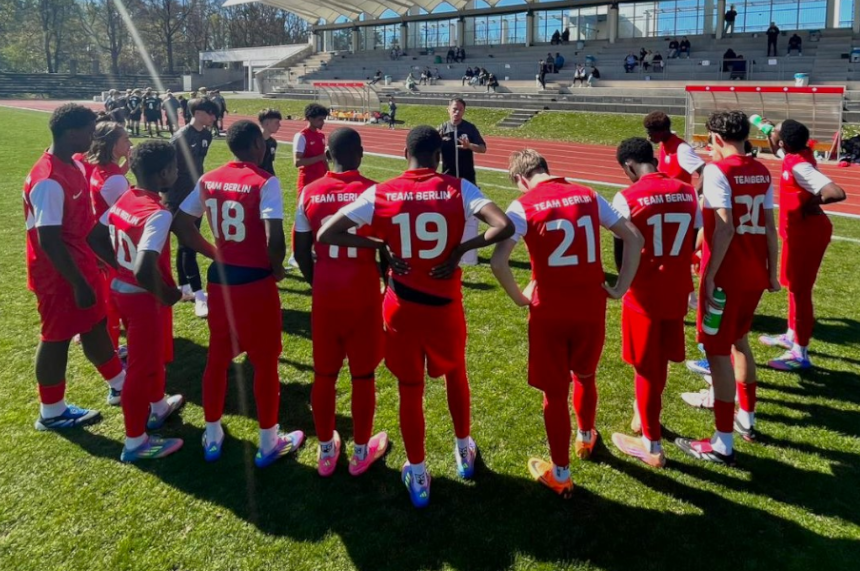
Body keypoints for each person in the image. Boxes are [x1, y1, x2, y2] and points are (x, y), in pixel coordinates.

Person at [318, 125, 514, 508]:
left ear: (404, 151)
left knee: (410, 391)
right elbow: (503, 225)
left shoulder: (381, 191)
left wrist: (376, 242)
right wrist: (460, 250)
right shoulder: (459, 188)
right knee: (456, 374)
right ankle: (463, 450)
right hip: (444, 306)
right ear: (438, 156)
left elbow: (327, 232)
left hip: (402, 305)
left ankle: (419, 474)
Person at [490, 149, 642, 497]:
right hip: (590, 305)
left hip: (550, 311)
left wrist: (519, 298)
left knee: (554, 393)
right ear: (546, 168)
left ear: (520, 178)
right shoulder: (588, 194)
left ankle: (560, 473)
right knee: (586, 375)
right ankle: (586, 437)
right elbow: (633, 236)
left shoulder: (523, 204)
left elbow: (499, 263)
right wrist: (621, 286)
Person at [173, 120, 305, 467]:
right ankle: (268, 441)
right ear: (258, 146)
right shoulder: (265, 181)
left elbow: (182, 224)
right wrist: (276, 268)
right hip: (254, 281)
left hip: (220, 279)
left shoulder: (209, 178)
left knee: (217, 357)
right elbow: (274, 236)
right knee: (265, 361)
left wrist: (213, 251)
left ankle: (213, 435)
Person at [675, 111, 780, 464]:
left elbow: (725, 228)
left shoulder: (719, 171)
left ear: (716, 139)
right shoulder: (761, 170)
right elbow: (768, 228)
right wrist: (774, 273)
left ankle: (722, 443)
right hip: (754, 274)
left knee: (718, 353)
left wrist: (711, 276)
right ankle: (746, 419)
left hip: (727, 276)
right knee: (741, 342)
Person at [23, 103, 126, 431]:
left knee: (95, 325)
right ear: (70, 134)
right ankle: (51, 412)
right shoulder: (49, 180)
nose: (94, 136)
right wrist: (78, 282)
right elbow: (49, 240)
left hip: (81, 265)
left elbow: (77, 224)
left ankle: (123, 386)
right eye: (89, 130)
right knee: (56, 337)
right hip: (60, 275)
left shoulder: (74, 165)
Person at [293, 128, 389, 477]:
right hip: (363, 291)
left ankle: (325, 450)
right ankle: (361, 451)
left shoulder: (309, 190)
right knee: (363, 375)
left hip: (327, 291)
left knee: (324, 374)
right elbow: (386, 250)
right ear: (360, 154)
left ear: (329, 156)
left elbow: (300, 252)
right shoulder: (375, 191)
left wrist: (316, 282)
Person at [88, 139, 185, 461]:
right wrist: (170, 294)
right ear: (162, 175)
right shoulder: (157, 214)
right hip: (142, 299)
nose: (177, 172)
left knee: (151, 356)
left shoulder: (126, 197)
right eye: (173, 167)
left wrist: (119, 268)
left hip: (121, 291)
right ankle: (135, 442)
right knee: (141, 368)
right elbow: (145, 269)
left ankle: (158, 405)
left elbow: (95, 237)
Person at [609, 138, 701, 468]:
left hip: (644, 292)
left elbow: (621, 248)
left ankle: (652, 443)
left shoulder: (627, 196)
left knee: (645, 366)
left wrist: (623, 282)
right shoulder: (688, 191)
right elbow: (693, 236)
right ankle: (645, 416)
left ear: (629, 166)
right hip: (676, 287)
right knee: (659, 360)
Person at [760, 120, 846, 370]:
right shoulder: (794, 154)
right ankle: (791, 334)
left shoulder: (800, 165)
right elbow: (777, 148)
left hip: (808, 233)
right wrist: (769, 133)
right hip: (796, 232)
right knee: (793, 287)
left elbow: (836, 192)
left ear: (785, 142)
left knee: (801, 291)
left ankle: (801, 353)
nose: (773, 136)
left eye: (776, 133)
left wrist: (810, 204)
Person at [165, 97, 218, 318]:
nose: (214, 117)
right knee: (189, 244)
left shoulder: (206, 134)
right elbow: (167, 170)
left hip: (195, 193)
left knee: (186, 243)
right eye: (210, 113)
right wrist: (167, 197)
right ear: (197, 112)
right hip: (177, 196)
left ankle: (185, 288)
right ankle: (199, 294)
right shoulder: (179, 138)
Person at [87, 120, 132, 356]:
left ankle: (113, 348)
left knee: (109, 300)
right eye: (125, 139)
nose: (130, 142)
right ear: (113, 145)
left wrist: (126, 166)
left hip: (102, 242)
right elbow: (126, 212)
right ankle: (114, 353)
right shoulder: (114, 179)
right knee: (114, 303)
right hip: (112, 244)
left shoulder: (102, 169)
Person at [439, 98, 488, 266]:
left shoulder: (469, 128)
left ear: (464, 111)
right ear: (448, 109)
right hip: (448, 180)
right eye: (454, 109)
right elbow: (431, 151)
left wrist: (470, 146)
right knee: (449, 216)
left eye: (460, 109)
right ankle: (449, 247)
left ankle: (468, 251)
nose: (457, 112)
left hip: (468, 181)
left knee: (470, 216)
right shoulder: (442, 129)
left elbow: (483, 148)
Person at [289, 103, 329, 268]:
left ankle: (311, 248)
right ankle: (294, 254)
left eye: (323, 119)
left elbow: (324, 159)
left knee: (317, 215)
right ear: (310, 118)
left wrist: (328, 174)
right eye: (320, 119)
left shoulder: (321, 136)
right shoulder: (301, 136)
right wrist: (320, 157)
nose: (322, 122)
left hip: (320, 181)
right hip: (306, 182)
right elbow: (297, 162)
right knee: (302, 217)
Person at [644, 111, 705, 191]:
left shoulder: (682, 148)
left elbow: (704, 170)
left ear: (662, 131)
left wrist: (695, 195)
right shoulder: (663, 144)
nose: (648, 137)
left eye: (650, 133)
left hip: (681, 200)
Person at [258, 108, 282, 176]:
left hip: (267, 178)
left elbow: (269, 164)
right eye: (277, 122)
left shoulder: (273, 142)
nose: (279, 125)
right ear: (267, 123)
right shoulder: (253, 142)